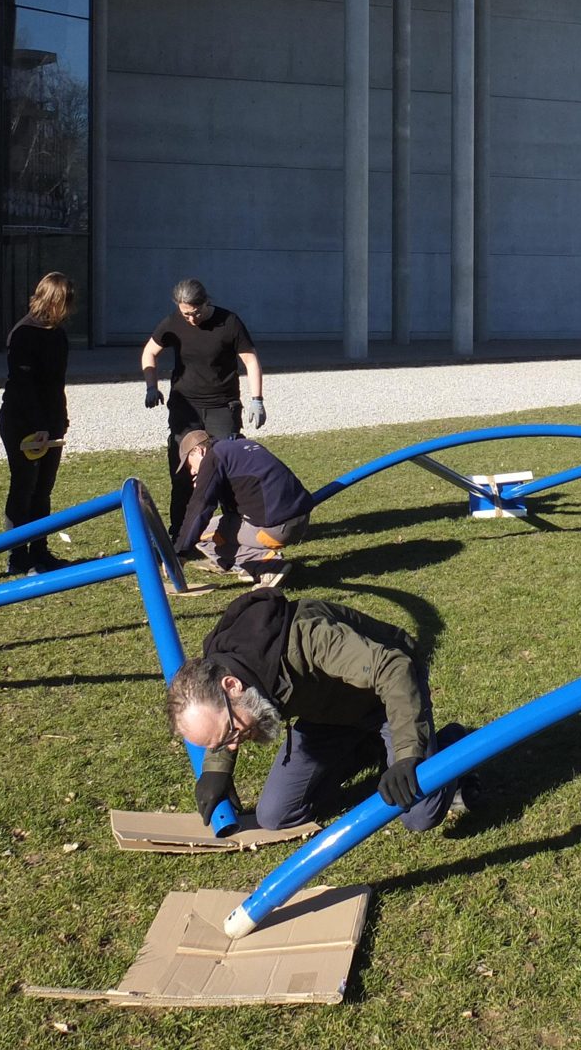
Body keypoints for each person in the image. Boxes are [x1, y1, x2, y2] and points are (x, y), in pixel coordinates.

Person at [167, 588, 471, 833]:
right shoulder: (220, 664)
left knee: (420, 814)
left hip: (385, 696)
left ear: (232, 685)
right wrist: (215, 769)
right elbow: (221, 716)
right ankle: (369, 748)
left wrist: (407, 756)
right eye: (223, 743)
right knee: (275, 815)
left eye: (229, 735)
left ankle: (453, 743)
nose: (233, 745)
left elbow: (393, 667)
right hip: (329, 714)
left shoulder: (309, 638)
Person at [140, 278, 265, 537]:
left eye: (195, 313)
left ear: (206, 302)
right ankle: (180, 533)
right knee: (183, 472)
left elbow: (250, 361)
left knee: (225, 469)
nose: (191, 319)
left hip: (222, 407)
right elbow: (149, 352)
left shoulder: (229, 322)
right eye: (185, 314)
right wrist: (152, 386)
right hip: (186, 408)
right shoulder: (173, 322)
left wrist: (257, 400)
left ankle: (233, 533)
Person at [0, 272, 75, 575]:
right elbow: (24, 386)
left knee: (44, 489)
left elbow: (56, 384)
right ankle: (17, 557)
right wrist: (38, 425)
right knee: (24, 487)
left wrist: (60, 419)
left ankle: (40, 551)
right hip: (22, 421)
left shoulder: (58, 334)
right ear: (52, 300)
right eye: (64, 302)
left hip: (50, 421)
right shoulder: (24, 333)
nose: (68, 309)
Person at [173, 428, 314, 584]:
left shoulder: (213, 458)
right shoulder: (241, 445)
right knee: (221, 524)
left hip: (276, 528)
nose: (192, 471)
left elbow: (200, 507)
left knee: (203, 534)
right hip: (302, 519)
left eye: (189, 464)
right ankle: (233, 563)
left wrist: (179, 552)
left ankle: (266, 565)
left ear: (198, 451)